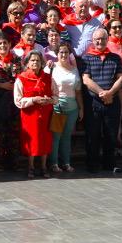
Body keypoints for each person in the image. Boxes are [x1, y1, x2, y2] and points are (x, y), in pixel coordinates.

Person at [81, 29, 122, 173]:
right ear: (93, 41)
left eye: (103, 39)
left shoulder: (115, 57)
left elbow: (120, 78)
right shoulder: (86, 58)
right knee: (92, 134)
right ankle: (92, 165)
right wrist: (102, 93)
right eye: (97, 39)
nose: (100, 42)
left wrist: (110, 93)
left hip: (112, 100)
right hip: (94, 102)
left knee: (111, 134)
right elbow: (86, 80)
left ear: (107, 40)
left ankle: (109, 164)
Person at [14, 50, 56, 178]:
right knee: (31, 141)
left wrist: (49, 100)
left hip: (45, 115)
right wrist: (33, 100)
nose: (35, 62)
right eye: (32, 60)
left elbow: (56, 96)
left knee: (45, 140)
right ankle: (31, 167)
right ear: (27, 63)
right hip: (29, 116)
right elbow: (18, 100)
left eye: (38, 60)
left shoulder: (48, 78)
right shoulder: (21, 79)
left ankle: (43, 167)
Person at [0, 33, 22, 173]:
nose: (3, 46)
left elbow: (21, 77)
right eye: (0, 43)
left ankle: (12, 162)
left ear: (10, 44)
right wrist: (2, 86)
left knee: (12, 132)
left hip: (12, 101)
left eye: (5, 43)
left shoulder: (16, 60)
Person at [46, 42, 83, 173]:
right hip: (58, 106)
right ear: (57, 54)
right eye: (61, 52)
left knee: (67, 136)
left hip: (72, 107)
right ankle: (54, 163)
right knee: (56, 136)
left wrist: (81, 108)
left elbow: (78, 91)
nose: (63, 54)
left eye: (66, 52)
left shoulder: (74, 69)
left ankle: (66, 163)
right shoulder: (52, 67)